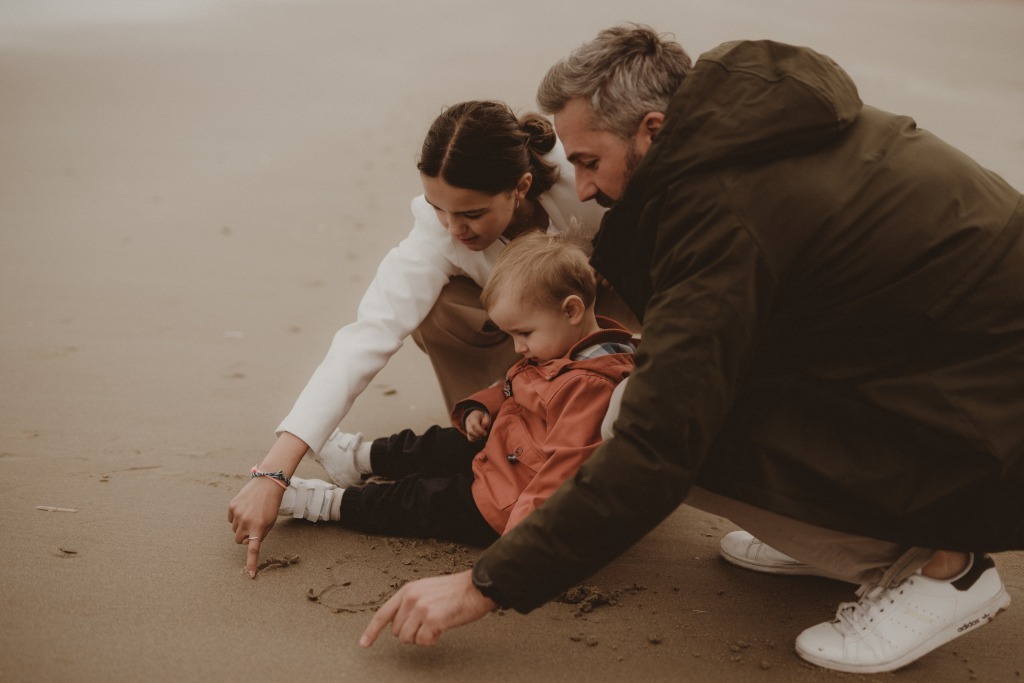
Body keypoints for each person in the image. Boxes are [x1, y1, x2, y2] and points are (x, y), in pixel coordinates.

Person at [359, 25, 1024, 674]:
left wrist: (483, 584)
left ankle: (939, 570)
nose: (582, 188)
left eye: (589, 161)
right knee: (704, 376)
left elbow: (656, 442)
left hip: (994, 413)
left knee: (632, 411)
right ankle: (833, 529)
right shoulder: (753, 120)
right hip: (952, 359)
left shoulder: (721, 213)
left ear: (651, 129)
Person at [228, 101, 635, 575]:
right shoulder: (438, 234)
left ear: (520, 187)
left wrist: (614, 256)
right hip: (525, 360)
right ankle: (501, 427)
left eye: (471, 213)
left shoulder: (582, 175)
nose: (453, 228)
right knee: (442, 318)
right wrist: (274, 473)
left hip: (608, 314)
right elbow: (366, 337)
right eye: (439, 209)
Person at [273, 231, 634, 544]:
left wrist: (522, 542)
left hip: (504, 501)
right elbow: (516, 384)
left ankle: (330, 504)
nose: (518, 347)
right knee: (437, 444)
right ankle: (358, 458)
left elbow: (563, 473)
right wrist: (484, 407)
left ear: (572, 310)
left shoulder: (591, 384)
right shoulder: (563, 345)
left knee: (420, 499)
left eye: (523, 333)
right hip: (508, 448)